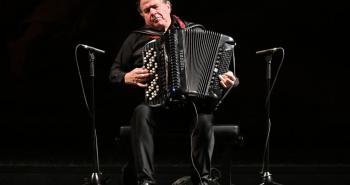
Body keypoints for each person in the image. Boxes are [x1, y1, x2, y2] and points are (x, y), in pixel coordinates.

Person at [109, 0, 239, 184]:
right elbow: (114, 72)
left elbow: (225, 74)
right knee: (141, 112)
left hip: (191, 107)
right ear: (143, 16)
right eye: (146, 10)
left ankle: (202, 179)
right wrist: (126, 77)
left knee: (204, 116)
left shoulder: (195, 31)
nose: (152, 12)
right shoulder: (136, 38)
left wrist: (230, 81)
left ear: (168, 6)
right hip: (156, 106)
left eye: (155, 6)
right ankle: (145, 180)